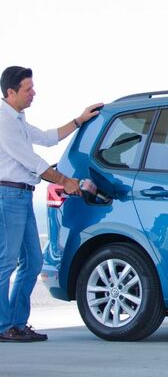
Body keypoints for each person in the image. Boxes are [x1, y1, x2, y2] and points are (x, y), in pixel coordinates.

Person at [0, 66, 101, 342]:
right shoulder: (4, 121)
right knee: (6, 264)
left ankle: (17, 324)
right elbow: (31, 161)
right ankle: (4, 326)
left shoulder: (17, 118)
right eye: (28, 89)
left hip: (22, 196)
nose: (33, 93)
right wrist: (64, 181)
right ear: (11, 92)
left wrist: (79, 120)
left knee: (33, 262)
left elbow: (46, 137)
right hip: (8, 196)